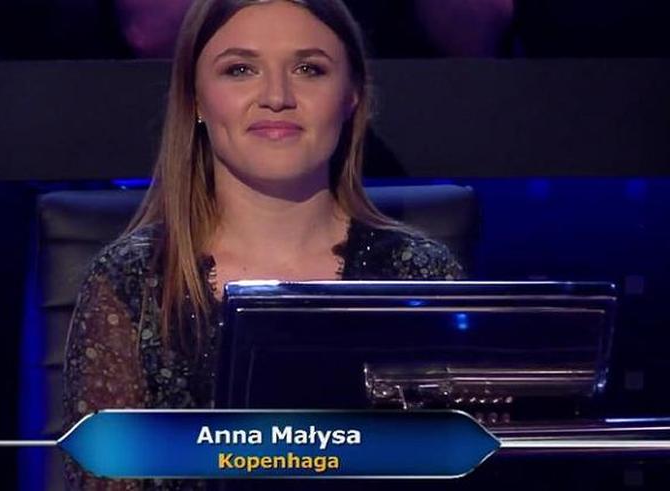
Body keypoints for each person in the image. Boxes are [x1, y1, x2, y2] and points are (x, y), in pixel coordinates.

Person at [62, 0, 463, 489]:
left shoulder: (419, 277)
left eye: (308, 69)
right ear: (195, 98)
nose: (277, 97)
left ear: (352, 96)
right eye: (240, 69)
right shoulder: (131, 281)